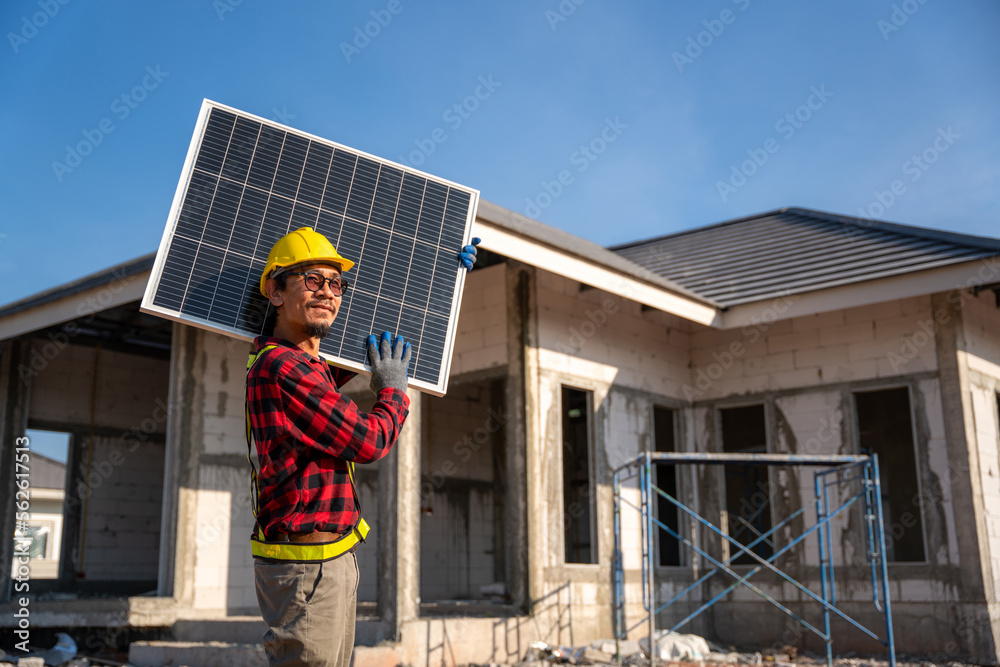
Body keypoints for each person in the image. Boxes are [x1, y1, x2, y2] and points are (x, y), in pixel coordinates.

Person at [245, 226, 480, 667]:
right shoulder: (283, 368)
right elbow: (368, 441)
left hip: (322, 563)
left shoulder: (302, 365)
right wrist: (393, 392)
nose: (329, 293)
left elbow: (366, 348)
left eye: (336, 284)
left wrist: (444, 277)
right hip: (308, 569)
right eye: (312, 280)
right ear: (275, 291)